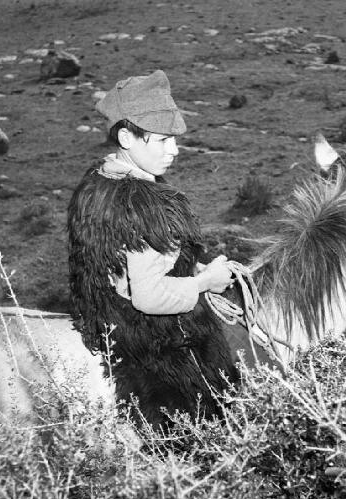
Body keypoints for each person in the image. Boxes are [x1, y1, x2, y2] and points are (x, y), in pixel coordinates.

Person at [67, 70, 239, 427]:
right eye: (162, 140)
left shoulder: (97, 183)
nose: (174, 150)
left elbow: (121, 267)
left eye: (174, 139)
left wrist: (189, 269)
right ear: (127, 137)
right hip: (159, 352)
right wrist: (206, 283)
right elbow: (150, 296)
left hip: (109, 332)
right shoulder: (146, 203)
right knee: (223, 417)